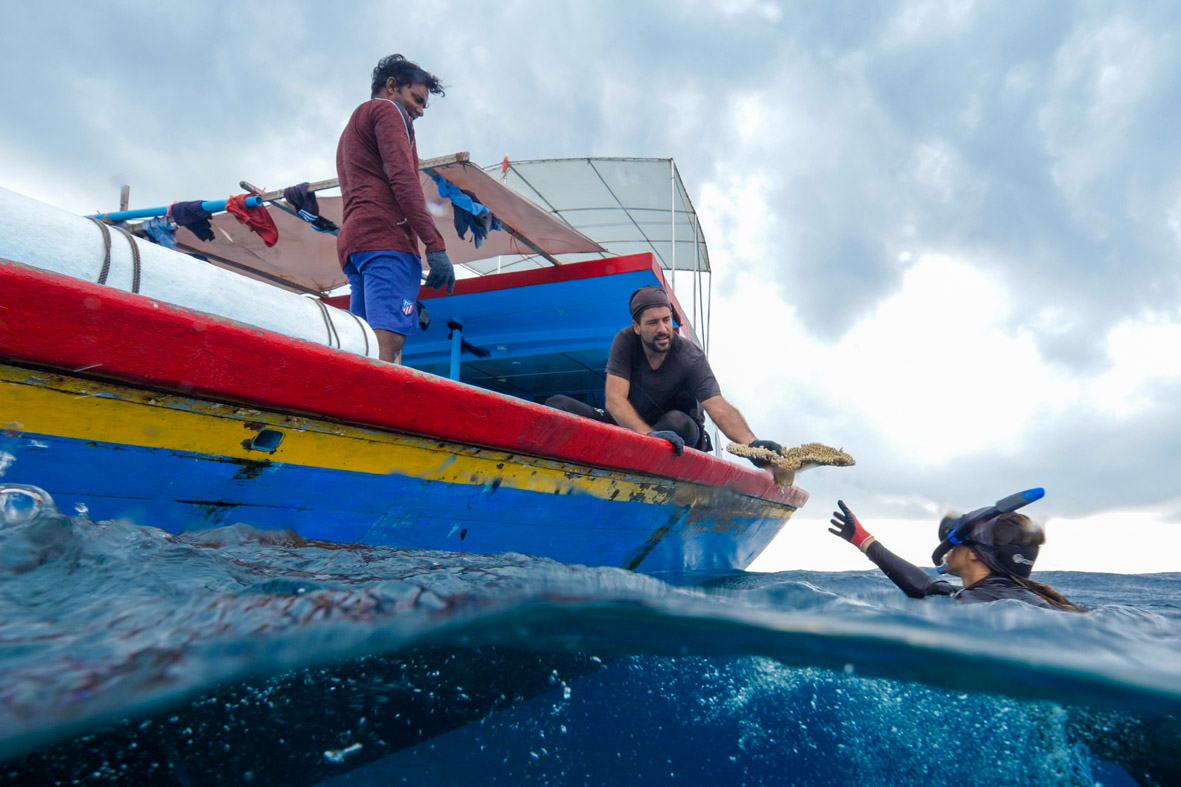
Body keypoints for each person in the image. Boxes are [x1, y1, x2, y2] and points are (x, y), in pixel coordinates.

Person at [547, 285, 784, 463]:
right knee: (557, 404)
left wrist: (752, 444)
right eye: (652, 323)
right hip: (636, 430)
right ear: (637, 327)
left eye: (666, 320)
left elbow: (718, 407)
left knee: (676, 421)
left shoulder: (690, 356)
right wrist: (648, 434)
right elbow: (615, 399)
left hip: (681, 434)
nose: (662, 329)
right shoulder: (626, 341)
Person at [336, 54, 456, 363]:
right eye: (417, 99)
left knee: (362, 344)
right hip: (387, 243)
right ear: (391, 86)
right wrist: (435, 244)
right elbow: (403, 179)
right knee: (386, 345)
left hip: (357, 244)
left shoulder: (350, 129)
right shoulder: (388, 111)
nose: (419, 110)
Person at [829, 499, 1086, 612]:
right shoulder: (1001, 594)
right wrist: (862, 539)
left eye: (955, 541)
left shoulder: (977, 602)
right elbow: (930, 588)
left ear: (974, 554)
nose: (948, 547)